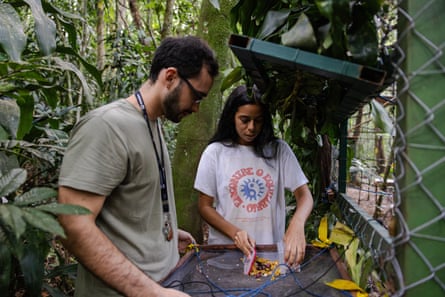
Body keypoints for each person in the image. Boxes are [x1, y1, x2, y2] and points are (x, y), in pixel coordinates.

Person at [57, 36, 219, 297]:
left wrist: (160, 236)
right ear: (170, 77)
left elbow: (127, 207)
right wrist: (150, 293)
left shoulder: (151, 122)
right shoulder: (107, 127)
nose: (197, 108)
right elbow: (72, 225)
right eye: (197, 96)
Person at [194, 85, 313, 266]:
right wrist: (235, 233)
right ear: (231, 117)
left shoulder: (279, 150)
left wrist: (297, 225)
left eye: (258, 120)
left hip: (269, 254)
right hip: (226, 255)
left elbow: (305, 196)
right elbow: (205, 206)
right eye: (244, 120)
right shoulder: (215, 153)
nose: (251, 127)